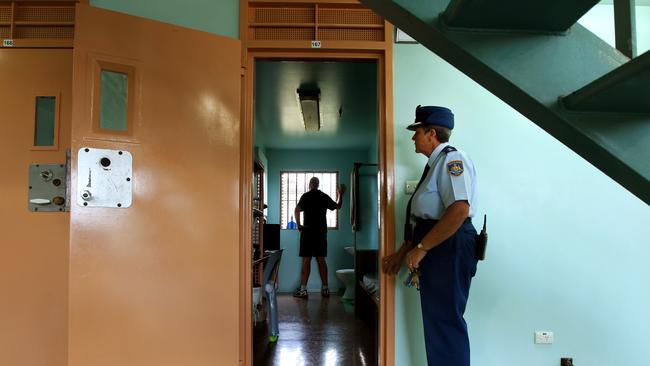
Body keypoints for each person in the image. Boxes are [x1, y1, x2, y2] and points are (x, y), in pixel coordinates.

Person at [382, 105, 478, 366]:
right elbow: (424, 218)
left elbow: (459, 210)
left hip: (449, 245)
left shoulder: (451, 160)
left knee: (445, 323)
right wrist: (404, 252)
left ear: (431, 133)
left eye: (417, 132)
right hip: (439, 245)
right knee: (438, 323)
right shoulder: (435, 166)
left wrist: (423, 247)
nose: (413, 137)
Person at [293, 177, 346, 299]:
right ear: (318, 184)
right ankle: (326, 289)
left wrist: (298, 224)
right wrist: (340, 194)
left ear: (310, 184)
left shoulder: (305, 196)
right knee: (321, 260)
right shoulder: (323, 196)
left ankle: (303, 290)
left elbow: (297, 210)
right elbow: (338, 206)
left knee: (306, 260)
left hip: (307, 232)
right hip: (320, 233)